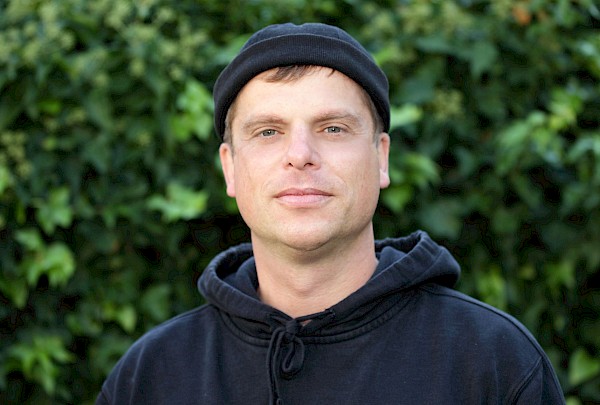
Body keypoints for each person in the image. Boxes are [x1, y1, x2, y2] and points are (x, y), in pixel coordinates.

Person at [96, 22, 565, 404]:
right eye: (268, 132)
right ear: (230, 168)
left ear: (381, 158)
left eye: (333, 128)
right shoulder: (149, 377)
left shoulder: (493, 363)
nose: (300, 155)